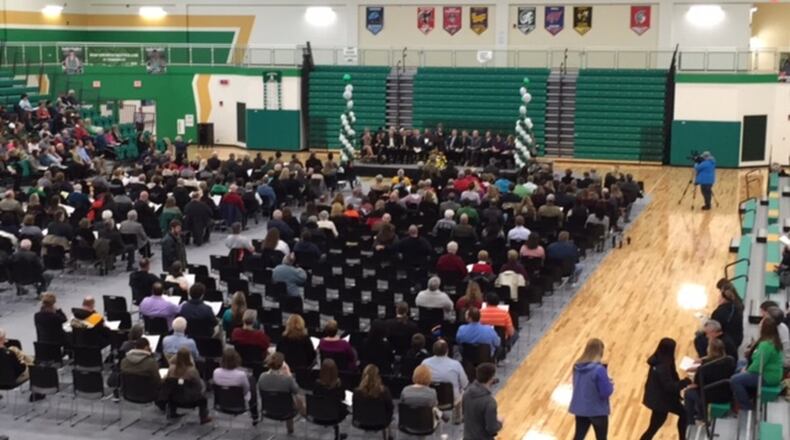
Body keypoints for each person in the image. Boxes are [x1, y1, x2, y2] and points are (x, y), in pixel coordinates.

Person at [638, 338, 690, 440]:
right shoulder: (662, 366)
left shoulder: (660, 359)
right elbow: (669, 387)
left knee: (684, 414)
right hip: (661, 402)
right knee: (653, 428)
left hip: (664, 398)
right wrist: (684, 382)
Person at [730, 316, 784, 411]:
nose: (759, 325)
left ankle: (746, 407)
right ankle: (744, 395)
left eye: (761, 324)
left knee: (735, 379)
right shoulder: (773, 340)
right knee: (740, 362)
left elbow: (757, 366)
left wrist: (746, 370)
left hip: (767, 377)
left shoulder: (766, 345)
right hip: (771, 373)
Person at [569, 338, 614, 440]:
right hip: (597, 410)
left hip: (581, 408)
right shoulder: (599, 370)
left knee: (579, 436)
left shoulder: (577, 366)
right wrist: (610, 383)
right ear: (600, 351)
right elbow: (605, 392)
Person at [683, 339, 734, 425]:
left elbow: (696, 385)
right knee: (699, 391)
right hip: (727, 393)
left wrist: (688, 386)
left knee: (688, 392)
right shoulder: (730, 360)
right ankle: (700, 415)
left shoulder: (703, 367)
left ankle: (693, 420)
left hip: (712, 395)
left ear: (709, 349)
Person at [257, 352, 304, 434]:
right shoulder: (287, 379)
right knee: (296, 398)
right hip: (287, 411)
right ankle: (291, 428)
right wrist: (289, 375)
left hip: (268, 409)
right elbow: (297, 390)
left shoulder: (262, 377)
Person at [422, 340, 468, 424]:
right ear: (447, 350)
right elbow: (465, 383)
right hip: (451, 399)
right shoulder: (456, 364)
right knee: (463, 391)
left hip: (430, 398)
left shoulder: (424, 363)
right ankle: (457, 418)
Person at [163, 347, 211, 424]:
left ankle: (172, 412)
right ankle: (203, 417)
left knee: (174, 388)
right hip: (190, 400)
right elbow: (198, 385)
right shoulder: (192, 371)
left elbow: (167, 382)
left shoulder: (171, 369)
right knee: (203, 399)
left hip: (174, 398)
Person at [213, 347, 258, 424]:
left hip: (222, 401)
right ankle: (254, 414)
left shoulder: (216, 372)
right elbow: (246, 390)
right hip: (238, 404)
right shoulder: (241, 375)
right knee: (251, 381)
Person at [462, 362, 502, 440]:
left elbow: (464, 414)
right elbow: (492, 428)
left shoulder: (466, 394)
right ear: (492, 378)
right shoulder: (489, 402)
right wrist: (500, 423)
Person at [313, 359, 348, 440]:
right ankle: (337, 433)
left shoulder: (317, 384)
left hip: (319, 413)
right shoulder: (339, 385)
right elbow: (342, 397)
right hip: (335, 415)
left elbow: (316, 397)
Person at [352, 364, 394, 434]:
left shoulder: (356, 392)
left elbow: (355, 408)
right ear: (378, 376)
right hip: (381, 423)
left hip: (360, 422)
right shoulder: (384, 391)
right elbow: (390, 408)